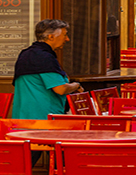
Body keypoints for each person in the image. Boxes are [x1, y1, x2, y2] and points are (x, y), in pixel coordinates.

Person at [13, 20, 84, 166]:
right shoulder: (44, 57)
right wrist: (75, 86)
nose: (67, 39)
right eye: (64, 35)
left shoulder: (26, 54)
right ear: (51, 37)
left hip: (24, 116)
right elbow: (60, 88)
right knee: (62, 162)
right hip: (44, 120)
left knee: (25, 162)